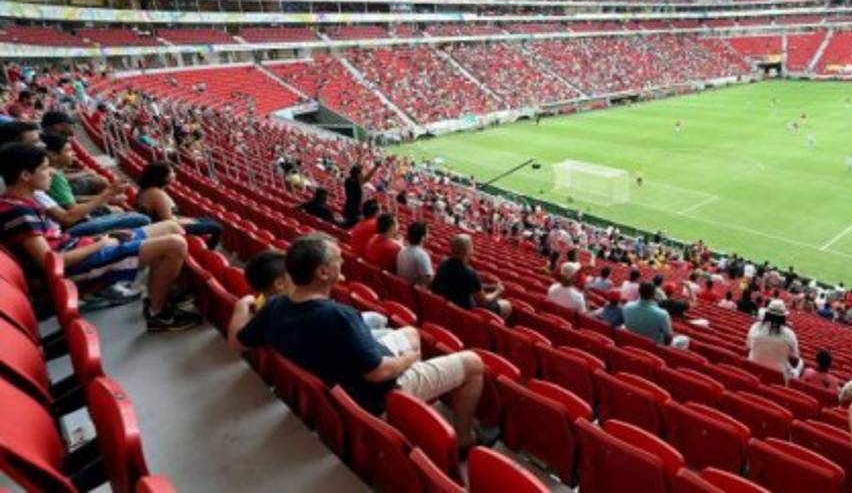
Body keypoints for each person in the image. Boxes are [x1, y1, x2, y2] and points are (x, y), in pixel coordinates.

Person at [228, 234, 488, 449]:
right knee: (474, 362)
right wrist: (409, 359)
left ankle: (421, 405)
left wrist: (242, 305)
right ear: (322, 272)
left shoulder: (274, 306)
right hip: (376, 395)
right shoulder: (340, 317)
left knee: (412, 333)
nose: (342, 261)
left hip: (344, 379)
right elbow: (378, 372)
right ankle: (463, 438)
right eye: (337, 259)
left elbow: (237, 342)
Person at [0, 142, 199, 331]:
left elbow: (55, 243)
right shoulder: (19, 213)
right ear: (25, 175)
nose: (50, 173)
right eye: (44, 168)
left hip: (79, 247)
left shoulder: (22, 202)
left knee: (171, 227)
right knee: (175, 244)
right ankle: (158, 314)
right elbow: (50, 263)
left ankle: (160, 290)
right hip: (75, 268)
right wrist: (100, 244)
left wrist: (102, 237)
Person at [134, 161, 223, 246]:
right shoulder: (157, 194)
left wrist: (188, 220)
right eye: (172, 172)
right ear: (164, 177)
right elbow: (168, 222)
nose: (175, 174)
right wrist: (188, 221)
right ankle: (207, 251)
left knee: (208, 219)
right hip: (166, 229)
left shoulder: (147, 190)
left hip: (164, 223)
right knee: (217, 227)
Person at [431, 234, 511, 318]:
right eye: (472, 246)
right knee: (507, 305)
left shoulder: (443, 263)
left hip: (448, 307)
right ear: (466, 251)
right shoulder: (469, 273)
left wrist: (489, 287)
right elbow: (483, 301)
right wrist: (498, 291)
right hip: (466, 312)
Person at [747, 299, 802, 381]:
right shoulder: (790, 334)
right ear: (783, 317)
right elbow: (794, 363)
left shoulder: (755, 327)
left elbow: (748, 347)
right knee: (800, 363)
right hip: (777, 378)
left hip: (752, 371)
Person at [623, 281, 686, 348]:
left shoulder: (626, 306)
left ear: (639, 292)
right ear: (653, 294)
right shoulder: (662, 314)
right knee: (685, 339)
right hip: (655, 346)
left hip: (633, 341)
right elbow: (668, 338)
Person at [395, 221, 433, 288]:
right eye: (427, 233)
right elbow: (428, 283)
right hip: (415, 293)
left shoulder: (401, 252)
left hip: (403, 290)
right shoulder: (422, 255)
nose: (429, 235)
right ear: (423, 238)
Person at [343, 161, 381, 227]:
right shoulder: (357, 184)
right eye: (361, 173)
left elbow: (361, 177)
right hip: (354, 212)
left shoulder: (348, 181)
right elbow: (367, 178)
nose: (362, 175)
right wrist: (376, 167)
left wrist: (359, 168)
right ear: (358, 175)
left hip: (347, 207)